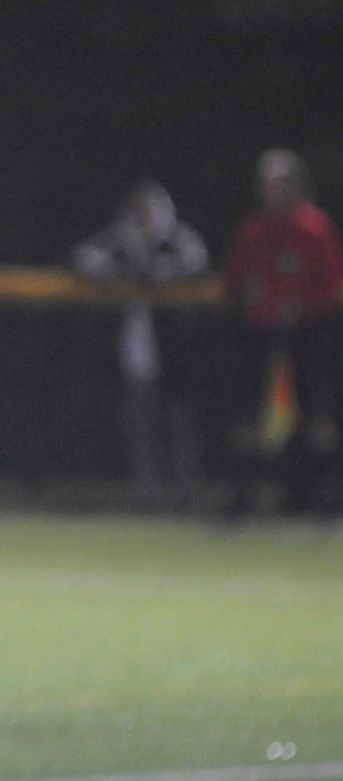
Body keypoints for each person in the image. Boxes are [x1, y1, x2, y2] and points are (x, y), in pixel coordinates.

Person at [72, 180, 210, 508]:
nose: (142, 216)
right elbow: (83, 258)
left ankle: (184, 493)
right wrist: (123, 272)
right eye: (137, 210)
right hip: (136, 351)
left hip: (177, 349)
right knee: (139, 425)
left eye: (147, 210)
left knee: (180, 424)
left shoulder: (176, 237)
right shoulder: (122, 238)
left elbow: (196, 262)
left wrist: (157, 274)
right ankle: (145, 494)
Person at [221, 148, 343, 518]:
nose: (270, 191)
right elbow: (234, 278)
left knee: (317, 417)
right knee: (250, 417)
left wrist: (302, 304)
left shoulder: (314, 227)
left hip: (308, 335)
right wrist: (247, 291)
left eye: (278, 184)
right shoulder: (255, 229)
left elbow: (331, 283)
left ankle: (320, 498)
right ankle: (245, 496)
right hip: (259, 335)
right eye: (267, 185)